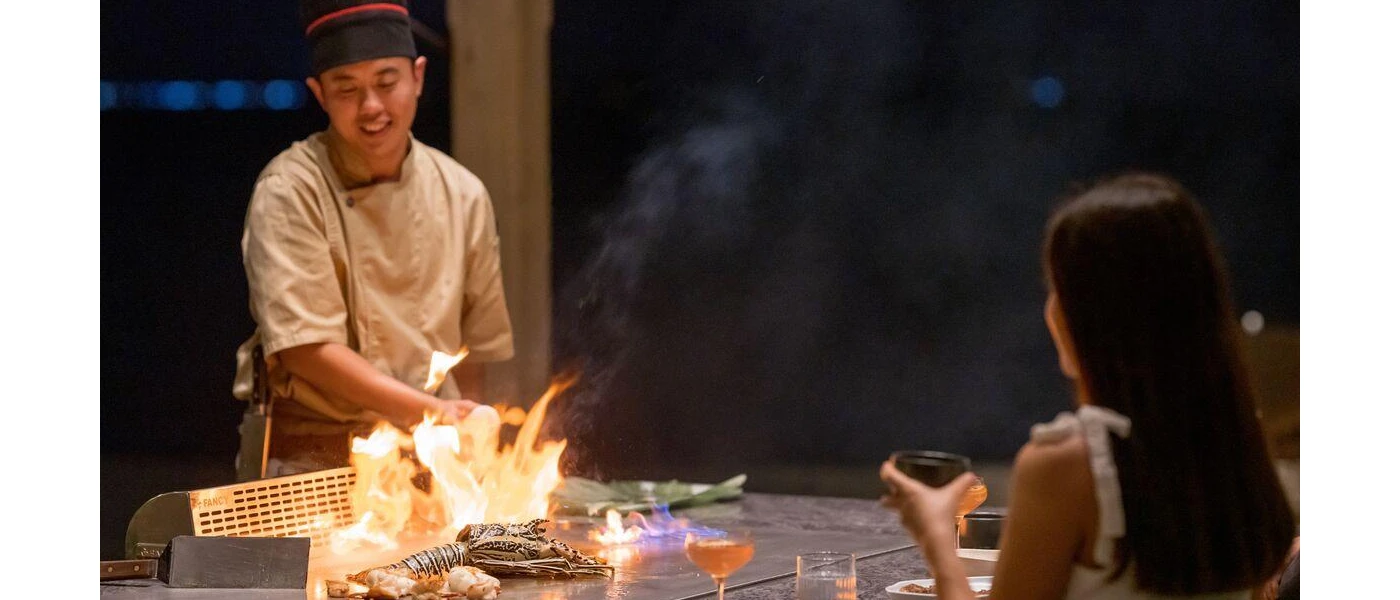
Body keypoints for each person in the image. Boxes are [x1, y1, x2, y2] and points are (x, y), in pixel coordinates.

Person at [880, 173, 1296, 599]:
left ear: (1092, 314)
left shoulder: (1066, 467)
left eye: (1058, 288)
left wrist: (935, 535)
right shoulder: (1241, 459)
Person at [232, 0, 514, 477]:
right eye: (347, 89)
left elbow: (475, 349)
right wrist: (432, 413)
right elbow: (305, 350)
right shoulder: (291, 189)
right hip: (311, 460)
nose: (372, 108)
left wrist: (469, 444)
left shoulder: (463, 193)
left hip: (430, 457)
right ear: (319, 94)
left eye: (387, 83)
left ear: (418, 77)